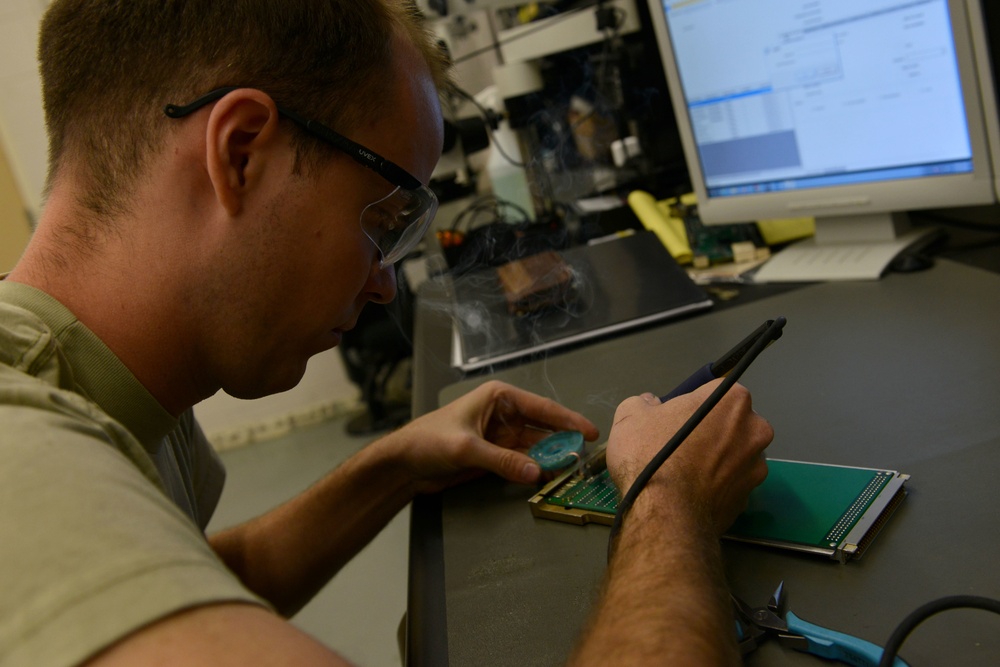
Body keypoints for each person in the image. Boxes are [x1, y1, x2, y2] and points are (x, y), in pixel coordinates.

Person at [0, 1, 773, 665]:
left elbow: (203, 571)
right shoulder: (20, 457)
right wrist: (669, 500)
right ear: (240, 153)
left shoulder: (111, 380)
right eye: (382, 220)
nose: (380, 281)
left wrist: (395, 465)